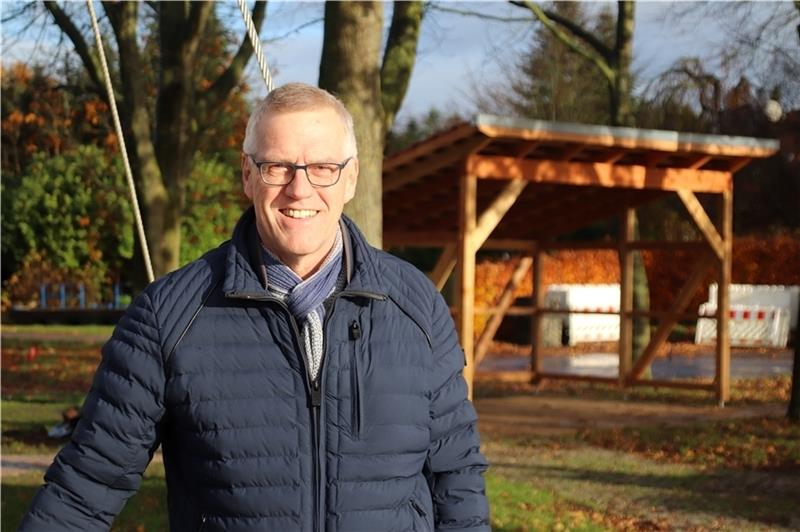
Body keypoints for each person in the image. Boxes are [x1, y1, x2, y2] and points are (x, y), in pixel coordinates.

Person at [20, 83, 490, 531]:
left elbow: (457, 477)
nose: (300, 189)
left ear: (351, 178)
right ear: (248, 175)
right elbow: (88, 483)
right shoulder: (169, 315)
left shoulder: (415, 305)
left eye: (323, 167)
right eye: (277, 167)